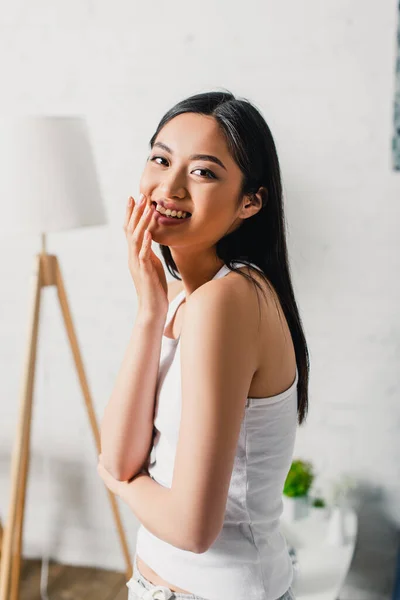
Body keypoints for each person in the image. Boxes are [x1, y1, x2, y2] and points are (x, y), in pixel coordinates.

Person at [99, 90, 310, 600]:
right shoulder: (178, 297)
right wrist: (149, 311)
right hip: (154, 583)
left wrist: (118, 480)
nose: (168, 187)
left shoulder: (230, 300)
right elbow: (119, 452)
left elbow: (192, 527)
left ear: (251, 201)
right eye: (160, 159)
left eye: (203, 172)